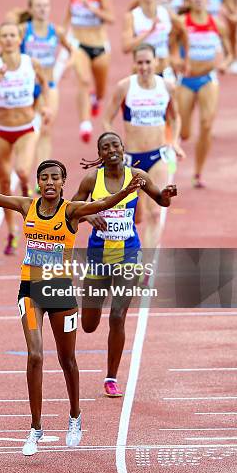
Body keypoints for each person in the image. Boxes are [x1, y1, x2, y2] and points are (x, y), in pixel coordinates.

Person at [0, 149, 146, 455]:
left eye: (55, 177)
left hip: (62, 293)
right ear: (38, 183)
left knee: (68, 361)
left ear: (64, 182)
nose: (49, 182)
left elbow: (104, 203)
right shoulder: (27, 206)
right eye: (44, 177)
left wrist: (126, 191)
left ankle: (75, 416)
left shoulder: (71, 211)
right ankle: (35, 428)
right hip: (30, 291)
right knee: (36, 355)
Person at [71, 132, 177, 397]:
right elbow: (71, 210)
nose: (111, 150)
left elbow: (161, 201)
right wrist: (90, 214)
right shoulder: (91, 180)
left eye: (115, 145)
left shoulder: (138, 177)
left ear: (122, 148)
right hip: (98, 258)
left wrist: (166, 194)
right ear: (100, 154)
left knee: (117, 317)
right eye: (105, 147)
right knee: (89, 324)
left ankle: (111, 378)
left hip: (129, 255)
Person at [0, 22, 51, 255]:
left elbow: (45, 84)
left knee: (22, 171)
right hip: (1, 130)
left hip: (26, 127)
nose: (8, 39)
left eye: (12, 35)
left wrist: (44, 105)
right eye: (4, 35)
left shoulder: (31, 63)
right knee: (4, 184)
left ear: (20, 39)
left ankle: (28, 190)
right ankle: (12, 230)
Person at [103, 43, 184, 248]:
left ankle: (143, 270)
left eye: (148, 62)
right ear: (134, 64)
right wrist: (112, 147)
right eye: (140, 62)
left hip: (158, 157)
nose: (145, 66)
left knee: (155, 213)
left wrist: (173, 141)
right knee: (134, 216)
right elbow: (107, 119)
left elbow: (175, 119)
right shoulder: (125, 87)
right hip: (131, 160)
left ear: (156, 62)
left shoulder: (166, 87)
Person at [177, 0, 232, 188]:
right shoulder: (181, 22)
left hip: (208, 79)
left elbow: (230, 53)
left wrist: (224, 64)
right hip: (186, 80)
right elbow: (171, 48)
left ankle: (198, 173)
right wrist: (176, 62)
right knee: (184, 133)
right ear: (189, 0)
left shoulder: (218, 23)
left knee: (207, 124)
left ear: (207, 0)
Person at [10, 0, 72, 166]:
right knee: (22, 130)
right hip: (26, 87)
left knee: (46, 129)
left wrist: (68, 65)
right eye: (38, 5)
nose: (42, 9)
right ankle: (21, 165)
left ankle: (41, 174)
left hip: (48, 86)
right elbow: (9, 51)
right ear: (30, 9)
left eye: (46, 5)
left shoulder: (56, 31)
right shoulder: (23, 30)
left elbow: (73, 51)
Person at [64, 0, 115, 142]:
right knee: (84, 81)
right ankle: (85, 124)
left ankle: (96, 99)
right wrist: (61, 34)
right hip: (79, 44)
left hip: (100, 45)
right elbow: (67, 18)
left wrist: (92, 8)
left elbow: (111, 18)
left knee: (101, 90)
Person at [122, 0, 189, 87]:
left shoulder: (166, 13)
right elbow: (126, 47)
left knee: (173, 104)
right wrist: (149, 32)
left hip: (165, 71)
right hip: (141, 74)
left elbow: (184, 32)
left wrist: (178, 56)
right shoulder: (132, 17)